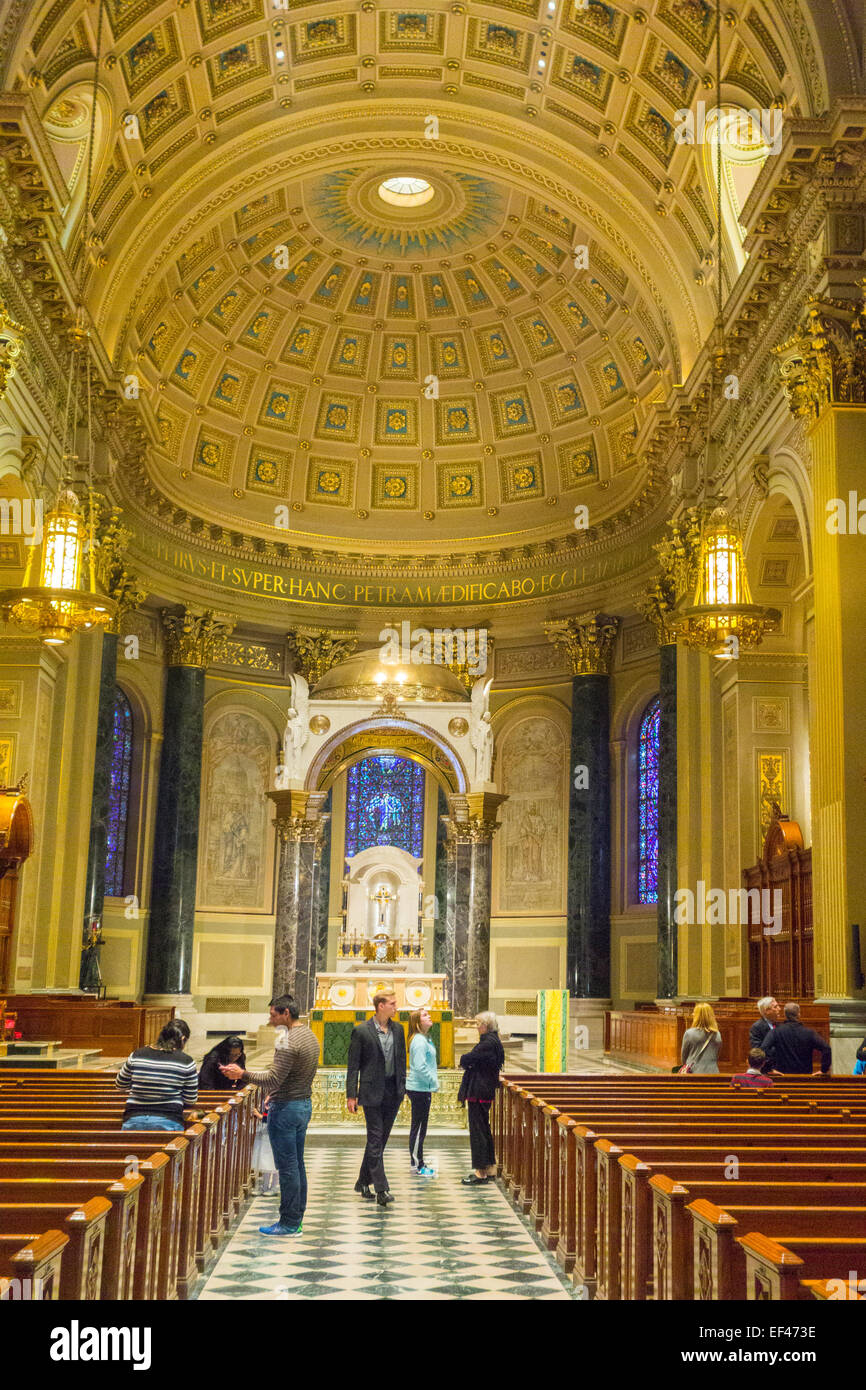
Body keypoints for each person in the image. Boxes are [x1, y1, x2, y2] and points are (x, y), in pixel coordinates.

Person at [220, 994, 319, 1237]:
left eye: (273, 1014)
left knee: (287, 1167)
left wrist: (242, 1074)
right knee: (297, 1164)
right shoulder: (309, 1034)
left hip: (286, 1109)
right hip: (302, 1103)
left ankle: (289, 1222)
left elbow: (273, 1078)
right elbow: (287, 1076)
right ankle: (297, 1215)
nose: (270, 1019)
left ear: (286, 1013)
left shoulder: (287, 1041)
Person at [346, 991, 406, 1207]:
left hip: (392, 1091)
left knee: (380, 1141)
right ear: (381, 1006)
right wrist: (351, 1095)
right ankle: (381, 1189)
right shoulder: (361, 1031)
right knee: (375, 1138)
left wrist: (402, 1088)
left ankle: (362, 1182)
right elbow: (353, 1066)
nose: (396, 1007)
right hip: (371, 1092)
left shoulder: (398, 1029)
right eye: (392, 1003)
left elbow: (401, 1060)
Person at [115, 1020, 198, 1131]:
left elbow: (120, 1085)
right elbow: (190, 1099)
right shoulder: (186, 1061)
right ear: (183, 1039)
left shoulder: (137, 1054)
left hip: (134, 1118)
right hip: (169, 1120)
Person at [458, 1011, 505, 1185]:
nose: (477, 1027)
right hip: (483, 1090)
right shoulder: (493, 1040)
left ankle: (480, 1172)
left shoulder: (487, 1043)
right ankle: (490, 1166)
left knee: (478, 1131)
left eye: (479, 1024)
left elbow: (467, 1058)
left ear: (486, 1025)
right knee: (484, 1129)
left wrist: (465, 1060)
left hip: (478, 1091)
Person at [406, 1007, 438, 1177]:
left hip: (422, 1087)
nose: (429, 1016)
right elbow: (419, 1067)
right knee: (418, 1128)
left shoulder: (425, 1039)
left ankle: (418, 1162)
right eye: (425, 1015)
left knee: (420, 1127)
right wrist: (433, 1081)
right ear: (418, 1023)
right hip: (419, 1088)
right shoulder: (419, 1040)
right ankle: (417, 1164)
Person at [764, 1001, 832, 1074]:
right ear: (799, 1015)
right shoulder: (809, 1033)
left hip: (782, 1076)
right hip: (805, 1078)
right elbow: (826, 1048)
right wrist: (823, 1070)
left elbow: (763, 1049)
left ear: (785, 1015)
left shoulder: (775, 1032)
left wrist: (769, 1069)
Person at [679, 1003, 722, 1074]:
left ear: (697, 1016)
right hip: (713, 1072)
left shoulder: (689, 1033)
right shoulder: (717, 1034)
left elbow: (683, 1058)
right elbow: (717, 1055)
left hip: (693, 1072)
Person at [749, 997, 780, 1071]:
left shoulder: (779, 1025)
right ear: (767, 1011)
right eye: (775, 1007)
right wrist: (770, 1069)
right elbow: (758, 1052)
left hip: (781, 1068)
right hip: (767, 1070)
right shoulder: (757, 1027)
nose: (779, 1009)